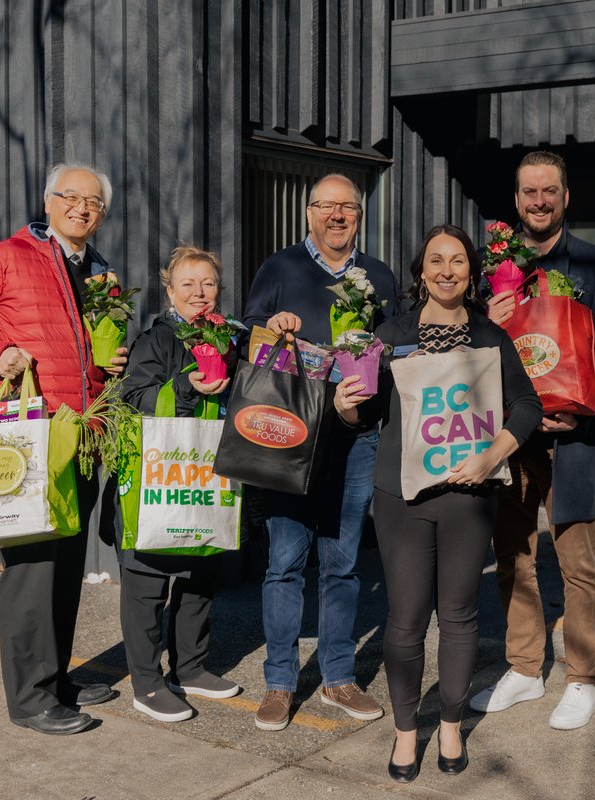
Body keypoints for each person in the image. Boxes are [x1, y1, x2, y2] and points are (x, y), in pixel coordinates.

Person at [335, 224, 542, 781]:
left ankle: (449, 724)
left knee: (458, 615)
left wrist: (493, 454)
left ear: (471, 273)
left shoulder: (490, 338)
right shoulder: (390, 333)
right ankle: (407, 732)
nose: (447, 269)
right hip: (401, 495)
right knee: (404, 620)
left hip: (468, 495)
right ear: (420, 271)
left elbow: (526, 405)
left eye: (457, 261)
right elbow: (365, 412)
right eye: (436, 260)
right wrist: (344, 404)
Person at [0, 162, 128, 735]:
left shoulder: (99, 273)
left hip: (82, 434)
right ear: (48, 201)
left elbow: (84, 347)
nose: (81, 207)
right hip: (32, 434)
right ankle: (30, 697)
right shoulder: (4, 256)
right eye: (70, 196)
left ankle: (57, 675)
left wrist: (109, 360)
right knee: (31, 571)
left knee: (66, 567)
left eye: (93, 201)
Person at [241, 174, 399, 731]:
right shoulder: (280, 269)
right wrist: (271, 325)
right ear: (309, 213)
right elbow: (247, 341)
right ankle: (280, 684)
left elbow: (394, 352)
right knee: (284, 563)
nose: (337, 215)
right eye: (327, 206)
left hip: (355, 439)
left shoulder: (377, 276)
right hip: (290, 434)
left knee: (343, 564)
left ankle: (337, 677)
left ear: (359, 215)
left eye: (347, 207)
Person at [472, 150, 595, 731]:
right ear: (515, 201)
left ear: (566, 197)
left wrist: (583, 406)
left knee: (578, 560)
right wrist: (488, 312)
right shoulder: (491, 270)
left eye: (549, 191)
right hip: (512, 437)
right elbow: (471, 349)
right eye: (529, 192)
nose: (539, 201)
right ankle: (524, 668)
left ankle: (583, 678)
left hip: (572, 436)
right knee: (514, 555)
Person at [116, 244, 243, 723]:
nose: (200, 292)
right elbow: (135, 396)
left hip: (208, 474)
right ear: (169, 289)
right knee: (148, 582)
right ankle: (146, 684)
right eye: (187, 283)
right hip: (159, 478)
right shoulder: (157, 340)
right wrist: (188, 387)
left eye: (208, 283)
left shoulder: (229, 337)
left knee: (198, 576)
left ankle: (190, 668)